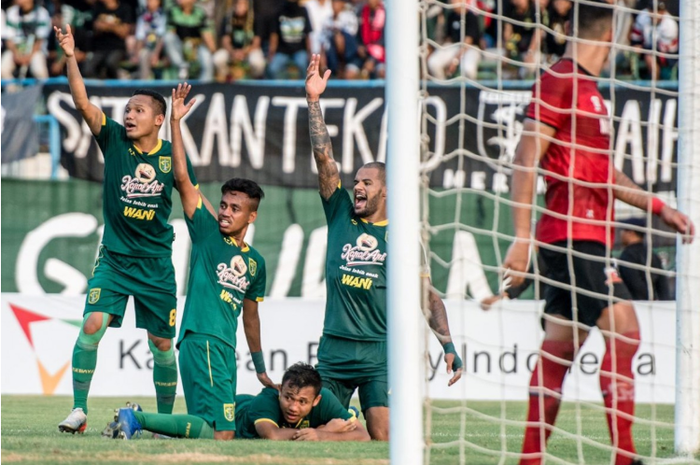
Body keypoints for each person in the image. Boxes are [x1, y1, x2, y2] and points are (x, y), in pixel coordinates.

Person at [501, 2, 694, 464]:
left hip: (580, 236)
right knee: (625, 334)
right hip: (571, 237)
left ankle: (530, 458)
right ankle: (624, 458)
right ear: (612, 34)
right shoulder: (561, 81)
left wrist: (658, 206)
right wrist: (521, 236)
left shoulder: (588, 91)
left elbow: (605, 174)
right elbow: (526, 158)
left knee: (559, 351)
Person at [305, 54, 464, 441]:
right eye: (356, 181)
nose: (357, 187)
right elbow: (325, 160)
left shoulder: (406, 237)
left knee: (384, 439)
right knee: (320, 434)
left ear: (387, 191)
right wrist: (313, 102)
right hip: (335, 351)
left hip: (380, 354)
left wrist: (448, 345)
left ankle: (362, 419)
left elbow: (427, 297)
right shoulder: (340, 212)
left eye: (367, 183)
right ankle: (346, 422)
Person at [54, 25, 197, 435]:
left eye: (137, 110)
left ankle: (163, 421)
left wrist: (179, 125)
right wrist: (69, 55)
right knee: (92, 326)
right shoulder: (114, 140)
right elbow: (82, 102)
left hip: (155, 264)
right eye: (127, 110)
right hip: (114, 259)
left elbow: (187, 184)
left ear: (157, 119)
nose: (128, 115)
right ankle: (79, 412)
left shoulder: (172, 156)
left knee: (162, 346)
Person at [154, 82, 274, 440]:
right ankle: (141, 420)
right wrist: (175, 122)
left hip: (224, 347)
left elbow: (250, 317)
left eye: (235, 209)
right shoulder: (208, 234)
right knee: (222, 435)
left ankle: (150, 425)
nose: (225, 212)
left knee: (209, 430)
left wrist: (260, 366)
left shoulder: (256, 263)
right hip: (202, 338)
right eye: (223, 204)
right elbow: (183, 179)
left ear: (250, 217)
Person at [111, 362, 370, 441]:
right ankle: (134, 418)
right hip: (232, 414)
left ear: (316, 401)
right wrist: (322, 431)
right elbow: (272, 435)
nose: (293, 406)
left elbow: (363, 436)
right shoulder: (268, 399)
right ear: (280, 390)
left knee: (173, 436)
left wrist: (323, 435)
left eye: (302, 402)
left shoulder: (325, 400)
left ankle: (147, 420)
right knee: (209, 433)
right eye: (288, 397)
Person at [617, 217, 671, 301]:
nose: (621, 233)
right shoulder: (652, 254)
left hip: (635, 306)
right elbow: (662, 285)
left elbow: (635, 283)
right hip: (654, 305)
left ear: (631, 233)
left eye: (623, 230)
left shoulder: (628, 255)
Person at [1, 0, 51, 80]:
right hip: (15, 50)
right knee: (3, 69)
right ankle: (13, 91)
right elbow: (8, 39)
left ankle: (43, 91)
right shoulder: (12, 11)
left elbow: (40, 41)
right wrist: (17, 54)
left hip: (35, 51)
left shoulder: (42, 13)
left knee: (39, 71)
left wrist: (28, 56)